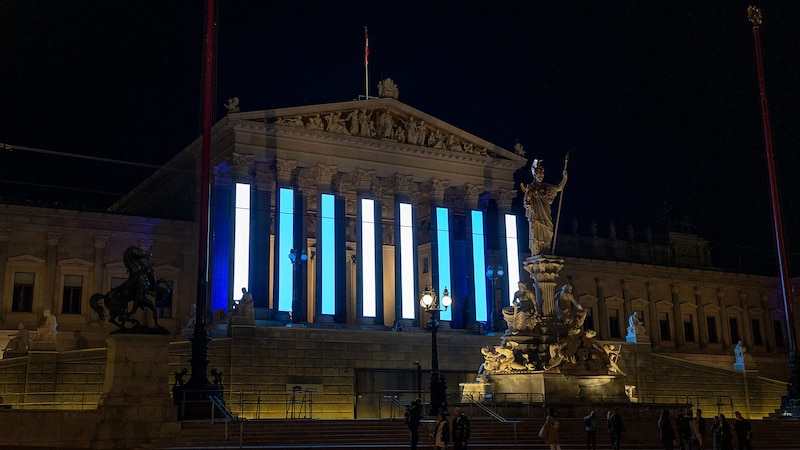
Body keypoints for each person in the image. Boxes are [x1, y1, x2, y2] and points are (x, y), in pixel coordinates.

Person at [520, 158, 567, 255]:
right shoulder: (531, 188)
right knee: (537, 231)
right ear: (535, 175)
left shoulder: (547, 187)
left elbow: (559, 188)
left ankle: (546, 248)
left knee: (549, 229)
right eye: (539, 174)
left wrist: (565, 178)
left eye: (542, 174)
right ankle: (538, 250)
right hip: (536, 215)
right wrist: (528, 202)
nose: (541, 176)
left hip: (545, 213)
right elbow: (526, 202)